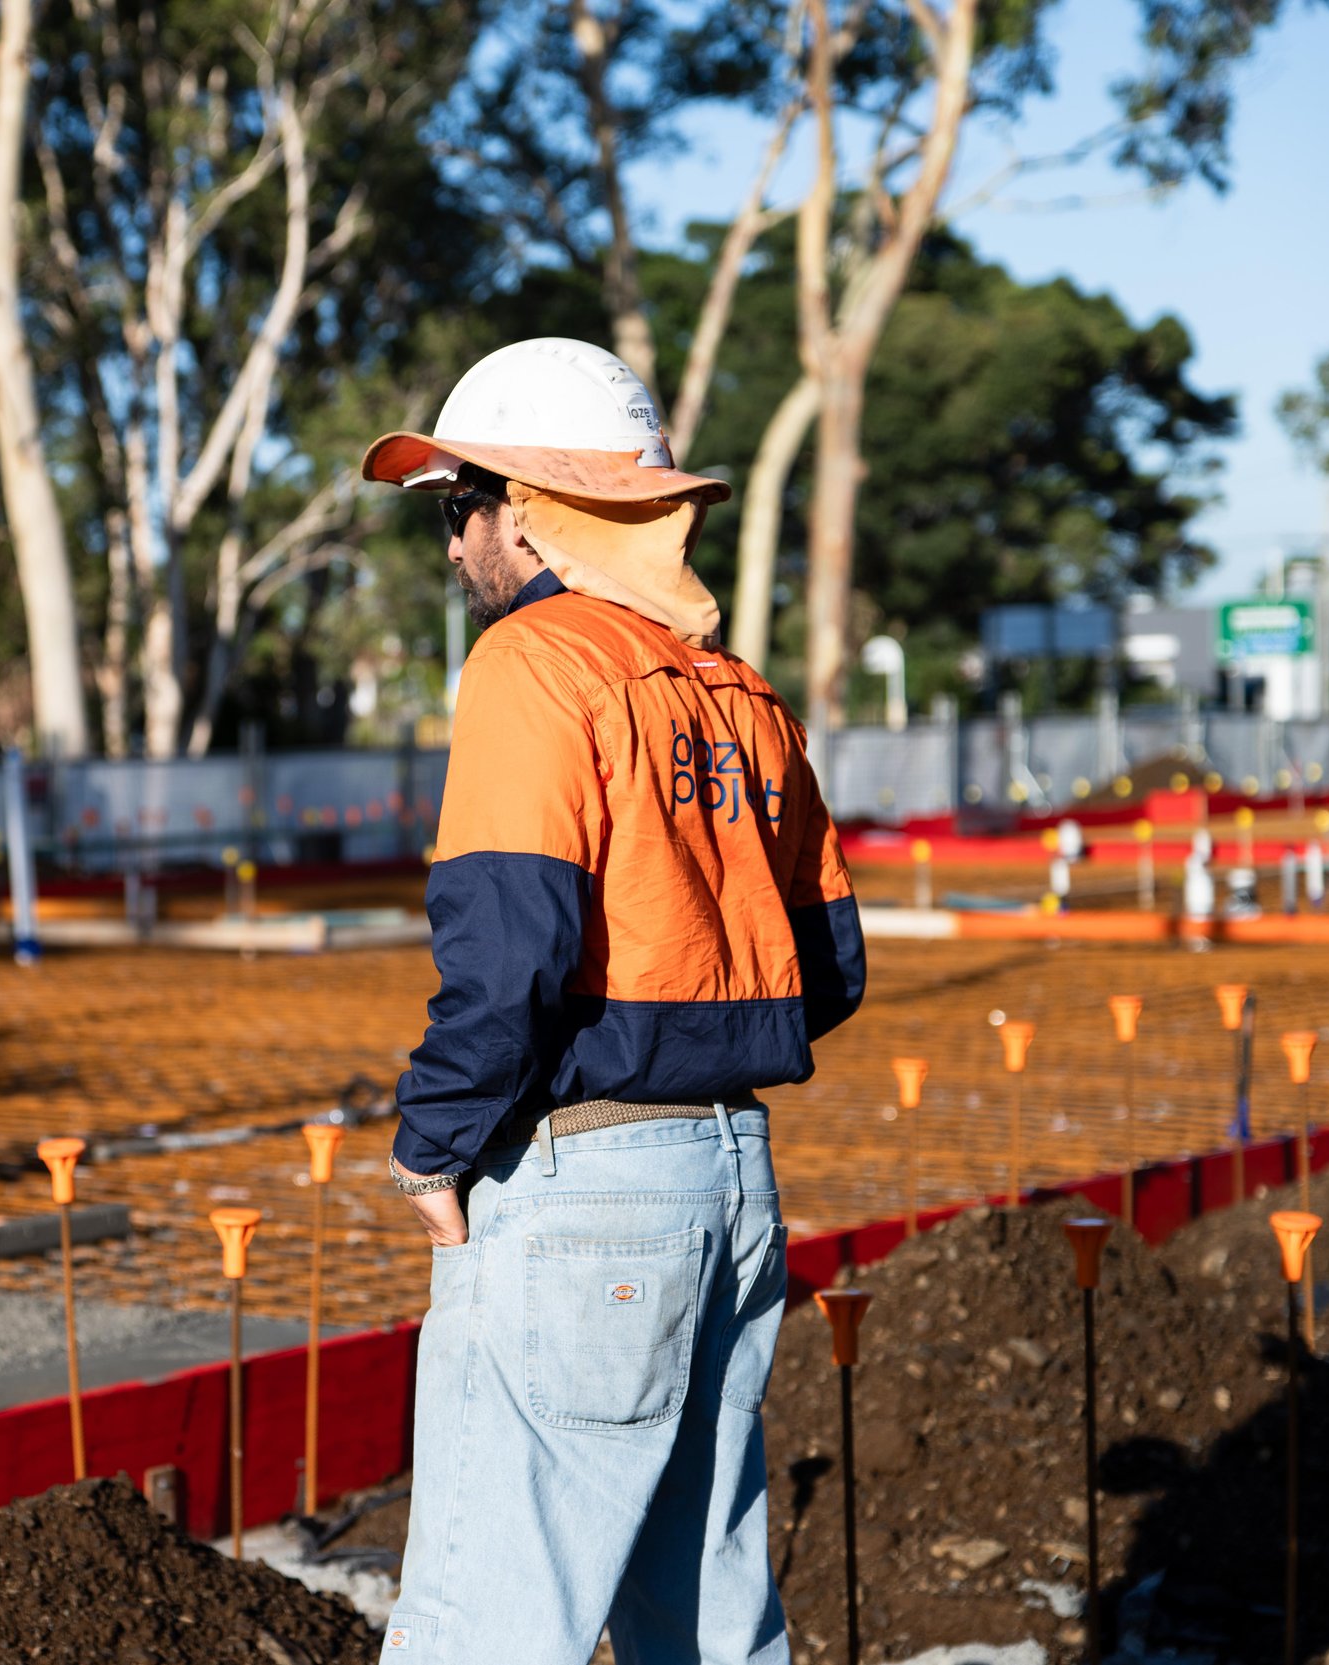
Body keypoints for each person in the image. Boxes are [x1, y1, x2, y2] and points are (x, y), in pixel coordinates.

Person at [364, 339, 864, 1665]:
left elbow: (510, 950)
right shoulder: (741, 694)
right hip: (733, 1179)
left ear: (524, 504)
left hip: (585, 1195)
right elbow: (831, 972)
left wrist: (433, 1141)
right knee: (700, 1621)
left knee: (485, 1625)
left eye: (456, 504)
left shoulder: (534, 663)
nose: (454, 540)